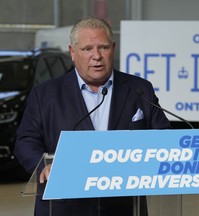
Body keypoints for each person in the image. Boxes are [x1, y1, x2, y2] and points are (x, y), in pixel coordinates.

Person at [14, 17, 171, 216]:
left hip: (123, 207)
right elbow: (26, 141)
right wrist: (42, 166)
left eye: (103, 47)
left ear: (113, 48)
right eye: (87, 49)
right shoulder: (45, 94)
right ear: (72, 52)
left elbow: (164, 137)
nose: (96, 56)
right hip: (63, 206)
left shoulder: (140, 89)